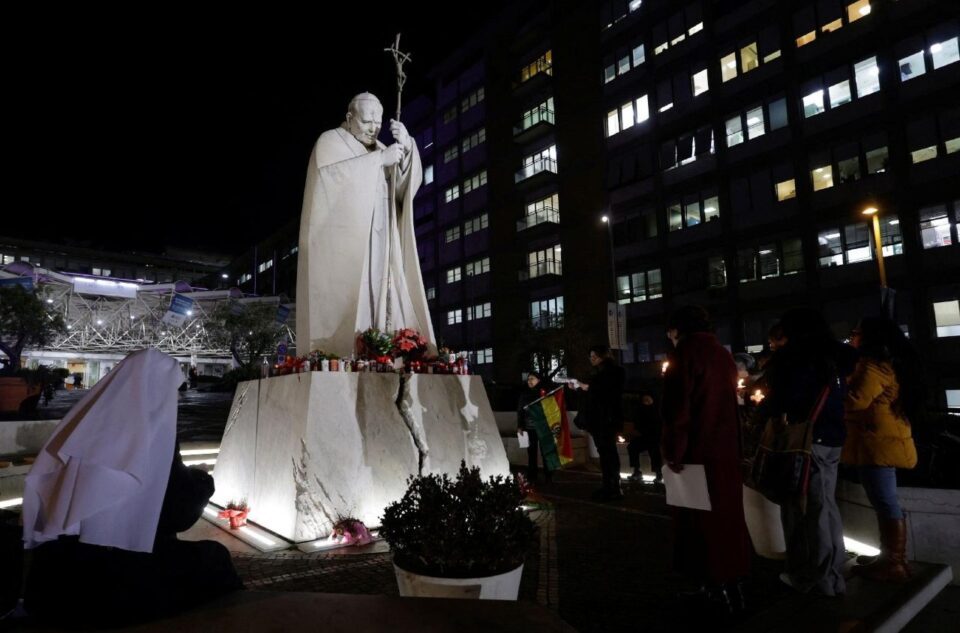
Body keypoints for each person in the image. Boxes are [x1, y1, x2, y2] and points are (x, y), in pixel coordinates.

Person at [21, 349, 242, 627]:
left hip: (62, 569)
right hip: (116, 571)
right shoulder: (152, 435)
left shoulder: (86, 426)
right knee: (215, 558)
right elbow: (176, 513)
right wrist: (204, 483)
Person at [295, 92, 435, 357]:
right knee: (358, 293)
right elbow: (327, 182)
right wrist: (378, 162)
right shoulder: (330, 141)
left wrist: (407, 149)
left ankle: (385, 343)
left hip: (384, 233)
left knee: (385, 288)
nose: (374, 128)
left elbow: (404, 191)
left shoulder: (383, 148)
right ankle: (349, 348)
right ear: (349, 118)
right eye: (367, 121)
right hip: (350, 239)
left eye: (378, 123)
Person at [758, 308, 856, 596]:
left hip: (806, 441)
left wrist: (764, 407)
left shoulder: (798, 359)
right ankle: (832, 573)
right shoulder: (835, 357)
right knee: (825, 505)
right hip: (833, 438)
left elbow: (787, 400)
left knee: (809, 508)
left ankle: (817, 576)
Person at [660, 306, 750, 613]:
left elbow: (677, 411)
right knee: (728, 519)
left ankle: (714, 590)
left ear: (677, 330)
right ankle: (734, 585)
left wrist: (673, 451)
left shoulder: (685, 356)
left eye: (670, 331)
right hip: (726, 450)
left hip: (698, 452)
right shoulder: (722, 355)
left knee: (699, 524)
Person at [843, 316, 921, 582]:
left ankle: (894, 563)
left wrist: (838, 386)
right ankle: (892, 559)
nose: (852, 337)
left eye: (855, 332)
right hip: (884, 438)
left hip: (876, 440)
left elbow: (855, 401)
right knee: (885, 499)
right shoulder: (890, 364)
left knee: (884, 500)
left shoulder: (873, 366)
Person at [577, 345, 625, 500]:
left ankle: (611, 487)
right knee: (607, 453)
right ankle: (611, 486)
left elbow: (603, 395)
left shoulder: (608, 373)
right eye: (590, 356)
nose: (592, 359)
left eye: (595, 356)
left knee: (607, 453)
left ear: (604, 356)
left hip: (604, 420)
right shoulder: (609, 372)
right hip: (605, 419)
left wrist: (586, 387)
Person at [517, 372, 550, 483]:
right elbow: (520, 411)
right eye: (528, 379)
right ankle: (532, 475)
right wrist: (520, 426)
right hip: (530, 428)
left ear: (538, 380)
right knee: (531, 453)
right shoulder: (524, 394)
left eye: (532, 379)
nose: (530, 381)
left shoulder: (544, 393)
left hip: (543, 427)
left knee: (546, 453)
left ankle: (548, 475)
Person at [627, 392, 663, 484]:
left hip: (653, 437)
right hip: (644, 437)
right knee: (632, 447)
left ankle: (658, 473)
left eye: (648, 400)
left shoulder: (656, 411)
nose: (646, 402)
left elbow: (657, 427)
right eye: (644, 401)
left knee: (654, 449)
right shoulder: (640, 411)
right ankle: (637, 471)